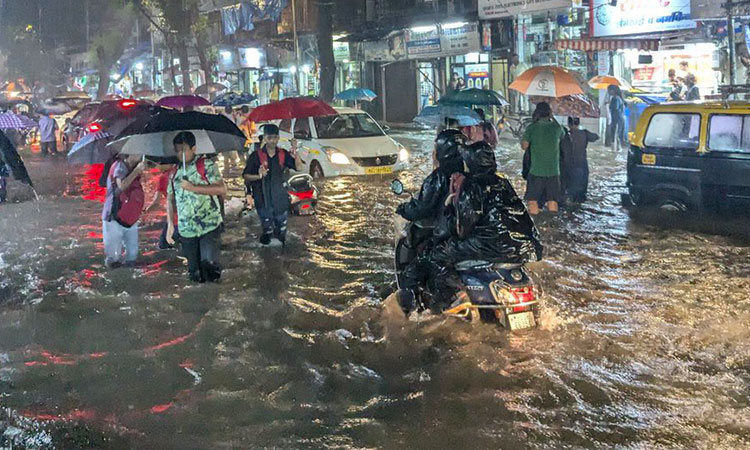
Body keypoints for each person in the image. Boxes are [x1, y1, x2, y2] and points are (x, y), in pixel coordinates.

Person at [407, 142, 543, 311]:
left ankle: (445, 302)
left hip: (489, 245)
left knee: (436, 255)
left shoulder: (472, 186)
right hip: (521, 247)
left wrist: (449, 216)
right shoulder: (503, 182)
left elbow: (462, 227)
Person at [396, 129, 467, 312]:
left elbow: (423, 208)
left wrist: (404, 209)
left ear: (443, 151)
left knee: (414, 272)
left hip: (447, 239)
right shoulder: (473, 174)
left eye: (436, 148)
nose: (433, 153)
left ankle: (414, 313)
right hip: (470, 239)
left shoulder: (439, 176)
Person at [167, 132, 227, 283]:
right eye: (177, 150)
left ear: (193, 148)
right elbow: (170, 199)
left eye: (183, 149)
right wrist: (170, 225)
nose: (180, 153)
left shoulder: (206, 165)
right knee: (193, 272)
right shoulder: (175, 172)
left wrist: (193, 187)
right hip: (186, 229)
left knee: (209, 265)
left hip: (209, 225)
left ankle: (214, 297)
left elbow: (221, 189)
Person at [243, 124, 302, 246]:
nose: (272, 141)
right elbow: (246, 176)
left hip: (280, 200)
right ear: (264, 138)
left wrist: (295, 151)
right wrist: (258, 176)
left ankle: (281, 260)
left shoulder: (283, 154)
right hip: (262, 200)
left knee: (281, 234)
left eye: (275, 137)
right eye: (269, 138)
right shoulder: (256, 156)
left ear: (278, 138)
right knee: (267, 234)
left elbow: (299, 168)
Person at [102, 154, 148, 268]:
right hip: (114, 216)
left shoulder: (132, 167)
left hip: (130, 216)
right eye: (138, 152)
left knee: (132, 254)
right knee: (114, 258)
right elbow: (121, 186)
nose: (140, 155)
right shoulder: (119, 166)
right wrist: (137, 170)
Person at [521, 102, 564, 215]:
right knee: (552, 200)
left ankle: (536, 226)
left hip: (536, 171)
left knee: (533, 200)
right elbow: (563, 135)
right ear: (549, 113)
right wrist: (552, 117)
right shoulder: (556, 127)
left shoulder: (532, 128)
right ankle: (553, 227)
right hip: (554, 172)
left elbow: (524, 146)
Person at [563, 117, 599, 203]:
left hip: (568, 166)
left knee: (569, 191)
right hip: (582, 164)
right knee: (581, 193)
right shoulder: (584, 133)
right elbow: (596, 137)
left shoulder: (565, 135)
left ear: (568, 124)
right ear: (578, 123)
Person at [608, 85, 627, 151]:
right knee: (618, 135)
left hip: (616, 119)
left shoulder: (615, 98)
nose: (608, 92)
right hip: (620, 119)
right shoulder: (620, 98)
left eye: (609, 90)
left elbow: (615, 108)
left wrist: (610, 104)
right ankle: (618, 149)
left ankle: (614, 150)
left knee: (615, 135)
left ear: (613, 91)